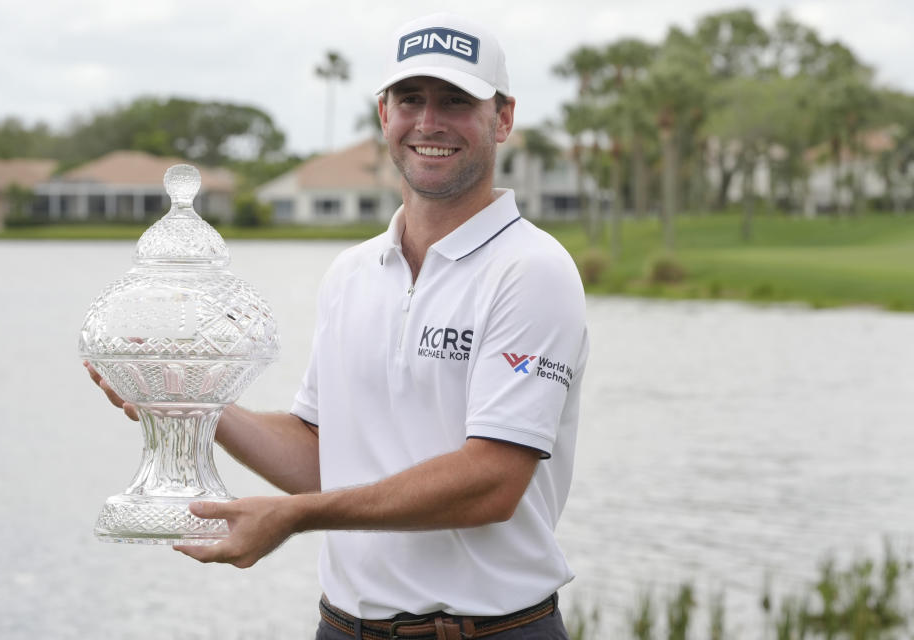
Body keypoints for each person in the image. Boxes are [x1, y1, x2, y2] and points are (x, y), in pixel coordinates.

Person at [87, 12, 588, 640]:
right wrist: (189, 400)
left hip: (488, 631)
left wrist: (294, 517)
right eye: (410, 99)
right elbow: (328, 460)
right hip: (343, 627)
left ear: (503, 118)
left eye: (456, 101)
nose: (429, 122)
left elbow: (490, 482)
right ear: (385, 115)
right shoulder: (352, 273)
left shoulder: (533, 270)